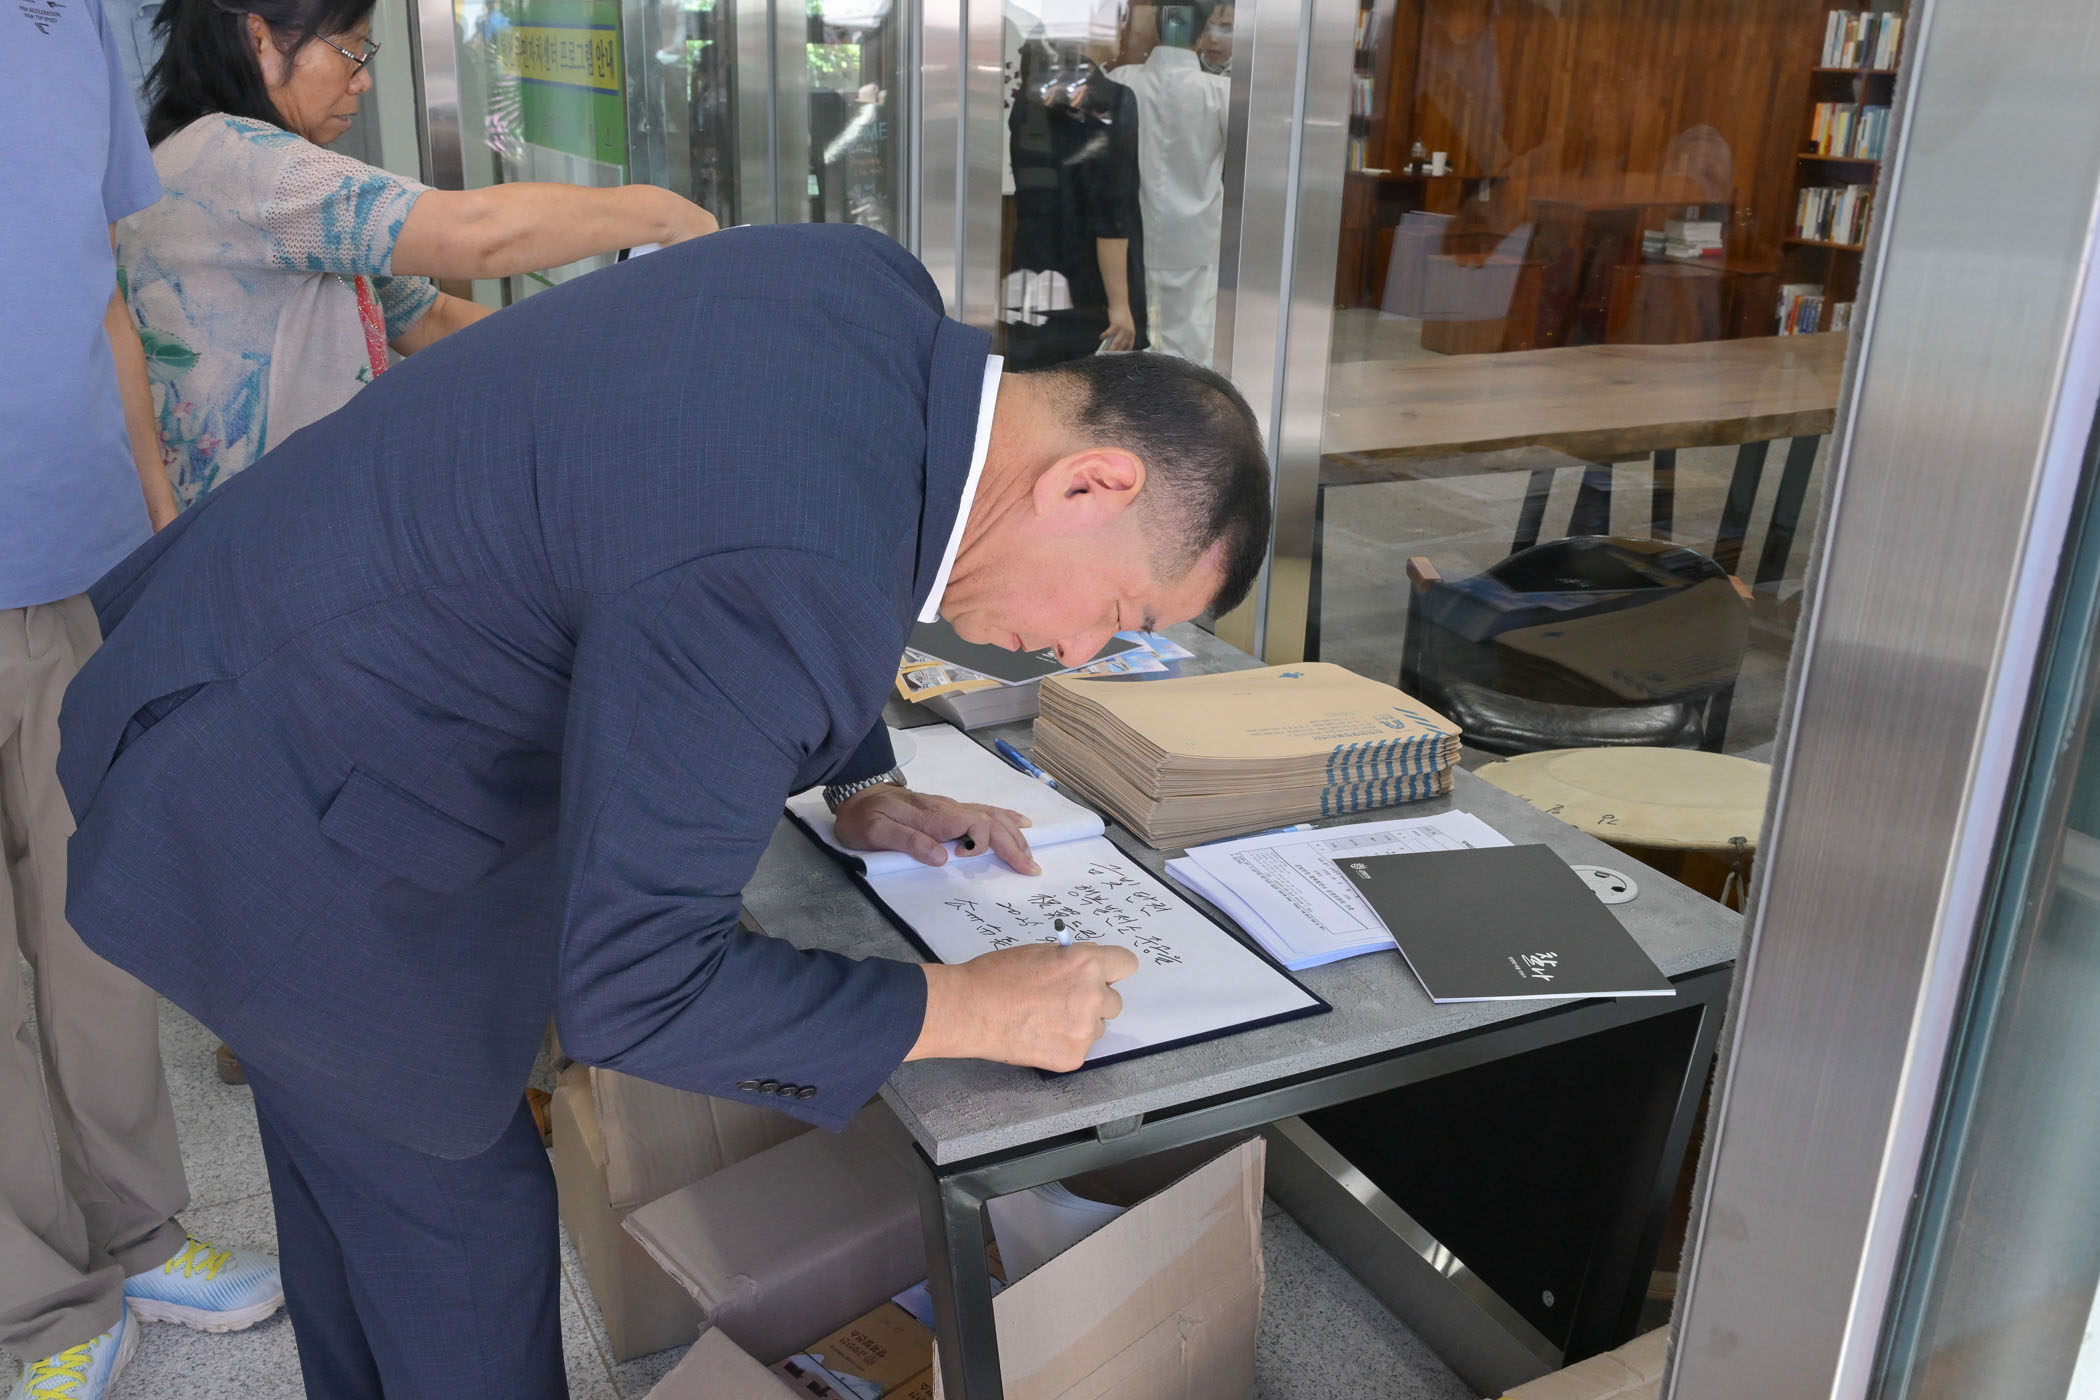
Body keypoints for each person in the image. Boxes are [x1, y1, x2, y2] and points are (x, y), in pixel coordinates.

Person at [56, 223, 1269, 1398]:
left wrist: (861, 781)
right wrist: (969, 1005)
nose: (1077, 651)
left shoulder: (862, 291)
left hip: (239, 662)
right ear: (1090, 482)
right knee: (461, 1245)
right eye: (1121, 613)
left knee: (356, 1194)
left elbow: (751, 513)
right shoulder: (792, 567)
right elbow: (638, 987)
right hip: (286, 811)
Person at [1, 4, 283, 1398]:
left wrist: (158, 539)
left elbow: (101, 289)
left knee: (93, 935)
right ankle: (33, 1300)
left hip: (74, 557)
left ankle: (139, 1230)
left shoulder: (70, 26)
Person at [119, 0, 719, 508]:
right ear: (261, 41)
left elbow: (429, 318)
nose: (362, 81)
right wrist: (660, 212)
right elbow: (478, 233)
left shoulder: (207, 154)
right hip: (256, 534)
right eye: (352, 50)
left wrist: (599, 361)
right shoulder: (241, 161)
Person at [1004, 40, 1149, 368]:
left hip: (1036, 269)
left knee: (1039, 380)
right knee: (1094, 388)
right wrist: (1120, 304)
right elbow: (1111, 210)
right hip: (1093, 288)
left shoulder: (1029, 101)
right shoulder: (1112, 98)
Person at [1111, 1, 1231, 367]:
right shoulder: (1220, 93)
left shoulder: (1121, 81)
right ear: (1201, 34)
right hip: (1197, 238)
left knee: (1130, 351)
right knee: (1192, 351)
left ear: (1157, 28)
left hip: (1129, 239)